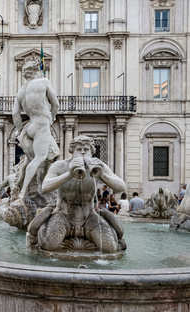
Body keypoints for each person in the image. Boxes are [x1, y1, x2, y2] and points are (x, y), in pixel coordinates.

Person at [32, 136, 126, 253]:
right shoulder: (60, 166)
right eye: (79, 149)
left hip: (89, 217)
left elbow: (122, 186)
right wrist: (69, 174)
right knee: (49, 245)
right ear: (72, 151)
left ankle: (111, 234)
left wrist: (102, 175)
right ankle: (42, 226)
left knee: (110, 248)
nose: (82, 152)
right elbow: (45, 187)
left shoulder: (99, 165)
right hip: (64, 215)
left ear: (92, 151)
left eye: (86, 149)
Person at [12, 59, 60, 199]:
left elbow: (15, 113)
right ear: (38, 71)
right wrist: (52, 117)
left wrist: (19, 130)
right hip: (42, 123)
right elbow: (55, 104)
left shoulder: (21, 91)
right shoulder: (44, 82)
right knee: (40, 158)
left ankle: (38, 186)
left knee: (51, 155)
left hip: (29, 126)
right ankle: (23, 192)